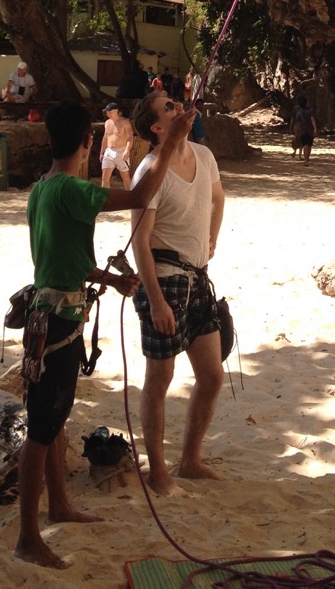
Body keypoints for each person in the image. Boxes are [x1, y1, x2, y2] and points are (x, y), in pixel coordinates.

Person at [15, 101, 194, 568]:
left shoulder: (44, 188)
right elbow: (139, 197)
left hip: (51, 313)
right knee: (41, 429)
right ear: (88, 142)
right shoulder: (73, 189)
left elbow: (60, 257)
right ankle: (28, 537)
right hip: (57, 321)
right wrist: (173, 141)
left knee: (54, 424)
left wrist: (110, 279)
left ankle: (58, 505)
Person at [129, 92, 226, 495]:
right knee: (161, 377)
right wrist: (155, 300)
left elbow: (219, 198)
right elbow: (140, 243)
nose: (177, 107)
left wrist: (211, 239)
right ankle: (158, 472)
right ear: (157, 128)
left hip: (198, 277)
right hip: (165, 279)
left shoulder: (203, 156)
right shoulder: (150, 171)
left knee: (212, 376)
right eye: (168, 107)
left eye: (174, 101)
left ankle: (189, 460)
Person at [99, 102, 133, 190]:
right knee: (104, 177)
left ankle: (129, 197)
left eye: (110, 111)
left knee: (125, 177)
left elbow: (130, 138)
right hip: (109, 152)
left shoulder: (125, 122)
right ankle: (105, 199)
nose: (108, 113)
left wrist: (127, 150)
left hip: (121, 152)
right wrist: (102, 152)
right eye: (107, 112)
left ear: (116, 111)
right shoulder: (107, 122)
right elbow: (105, 138)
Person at [291, 95, 317, 164]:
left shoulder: (299, 112)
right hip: (310, 129)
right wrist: (315, 128)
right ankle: (307, 158)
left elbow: (297, 120)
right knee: (309, 145)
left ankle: (306, 160)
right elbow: (312, 119)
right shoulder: (311, 110)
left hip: (303, 129)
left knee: (305, 144)